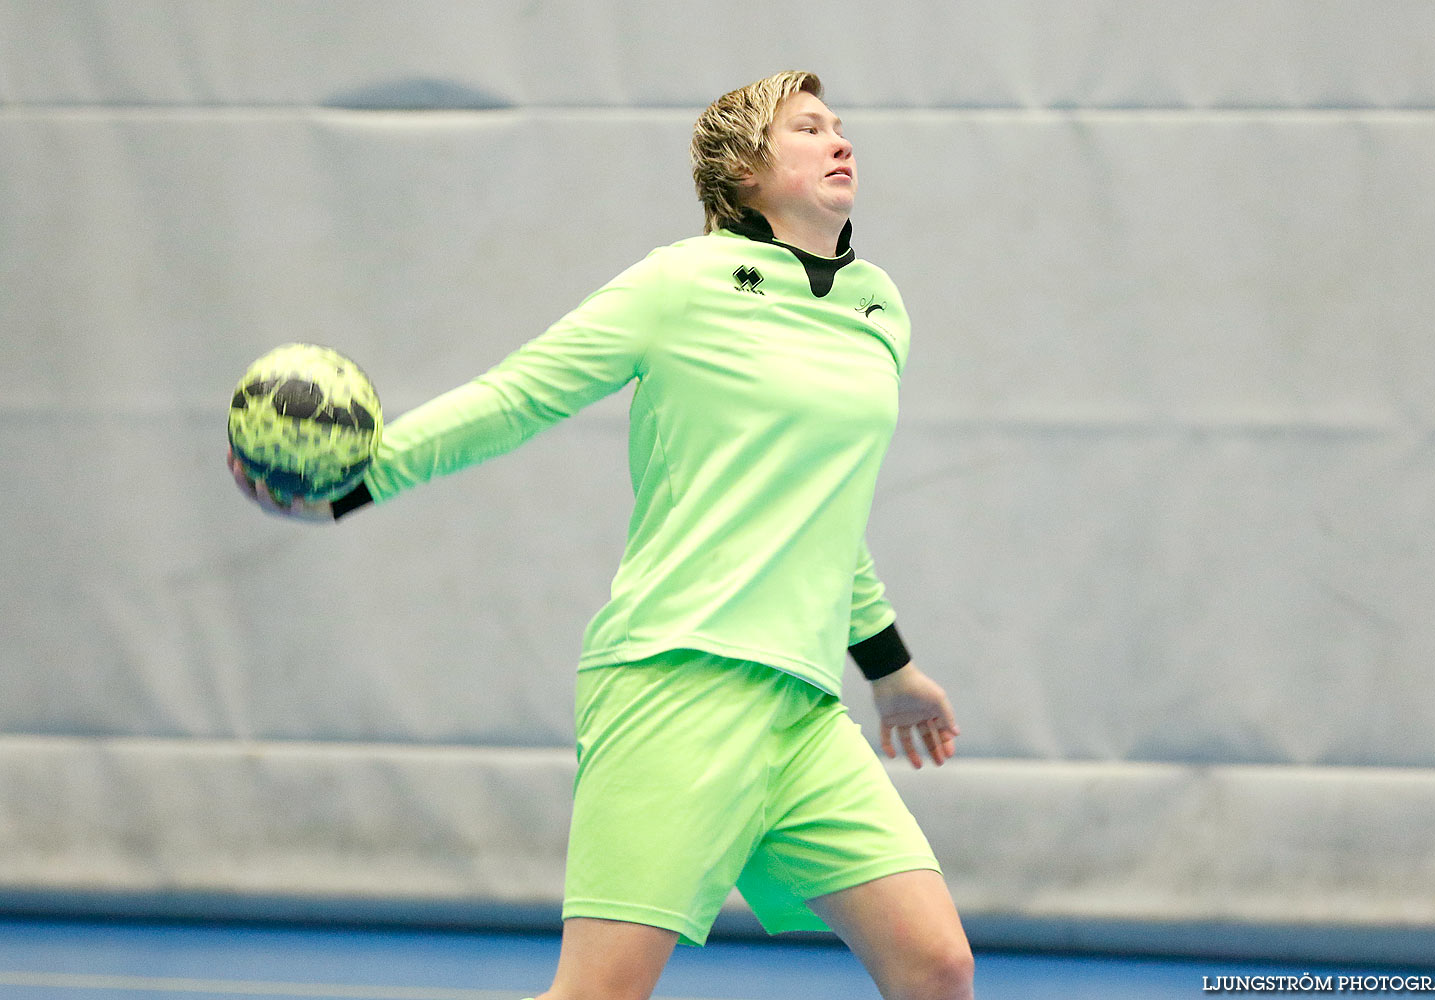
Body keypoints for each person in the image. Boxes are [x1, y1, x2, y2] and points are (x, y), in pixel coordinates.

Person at [230, 71, 974, 1000]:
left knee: (938, 968)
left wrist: (892, 670)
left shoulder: (879, 307)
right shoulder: (676, 284)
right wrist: (352, 485)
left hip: (801, 708)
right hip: (673, 681)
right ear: (743, 168)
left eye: (839, 126)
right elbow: (516, 397)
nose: (839, 140)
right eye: (808, 127)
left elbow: (822, 509)